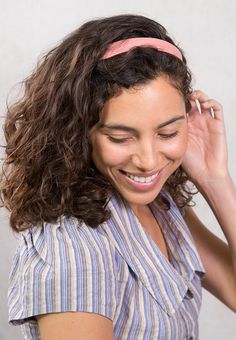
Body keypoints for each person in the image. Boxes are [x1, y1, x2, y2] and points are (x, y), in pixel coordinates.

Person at [1, 13, 236, 340]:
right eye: (120, 138)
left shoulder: (162, 207)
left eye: (168, 132)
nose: (148, 161)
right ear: (80, 133)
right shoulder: (72, 248)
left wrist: (215, 179)